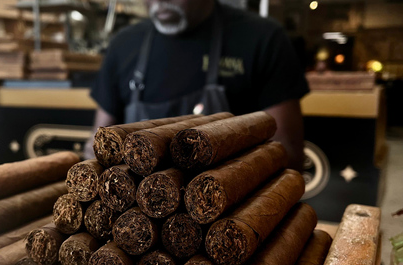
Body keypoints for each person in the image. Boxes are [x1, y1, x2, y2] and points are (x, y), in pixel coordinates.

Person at [86, 0, 309, 170]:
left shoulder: (263, 39)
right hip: (136, 219)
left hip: (227, 215)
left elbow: (287, 154)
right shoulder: (123, 44)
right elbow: (99, 144)